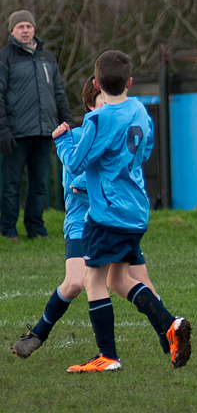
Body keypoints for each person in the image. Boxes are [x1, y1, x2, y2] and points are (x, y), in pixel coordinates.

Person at [12, 77, 171, 359]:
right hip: (83, 221)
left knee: (138, 278)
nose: (111, 108)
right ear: (91, 105)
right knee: (76, 282)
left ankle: (168, 337)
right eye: (103, 102)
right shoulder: (76, 137)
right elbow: (76, 184)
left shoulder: (118, 126)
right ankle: (38, 333)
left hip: (113, 218)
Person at [52, 51, 191, 372]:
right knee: (118, 279)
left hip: (108, 214)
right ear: (130, 82)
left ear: (97, 85)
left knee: (94, 280)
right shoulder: (141, 110)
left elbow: (75, 163)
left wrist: (61, 142)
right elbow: (143, 151)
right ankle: (170, 325)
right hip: (136, 210)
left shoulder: (98, 120)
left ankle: (108, 356)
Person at [0, 10, 74, 242]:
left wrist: (67, 120)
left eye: (28, 26)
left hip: (45, 132)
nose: (25, 30)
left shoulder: (47, 58)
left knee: (39, 184)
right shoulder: (5, 58)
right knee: (11, 184)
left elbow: (59, 92)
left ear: (34, 29)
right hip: (16, 132)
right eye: (20, 27)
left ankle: (36, 228)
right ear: (11, 31)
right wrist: (3, 129)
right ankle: (8, 230)